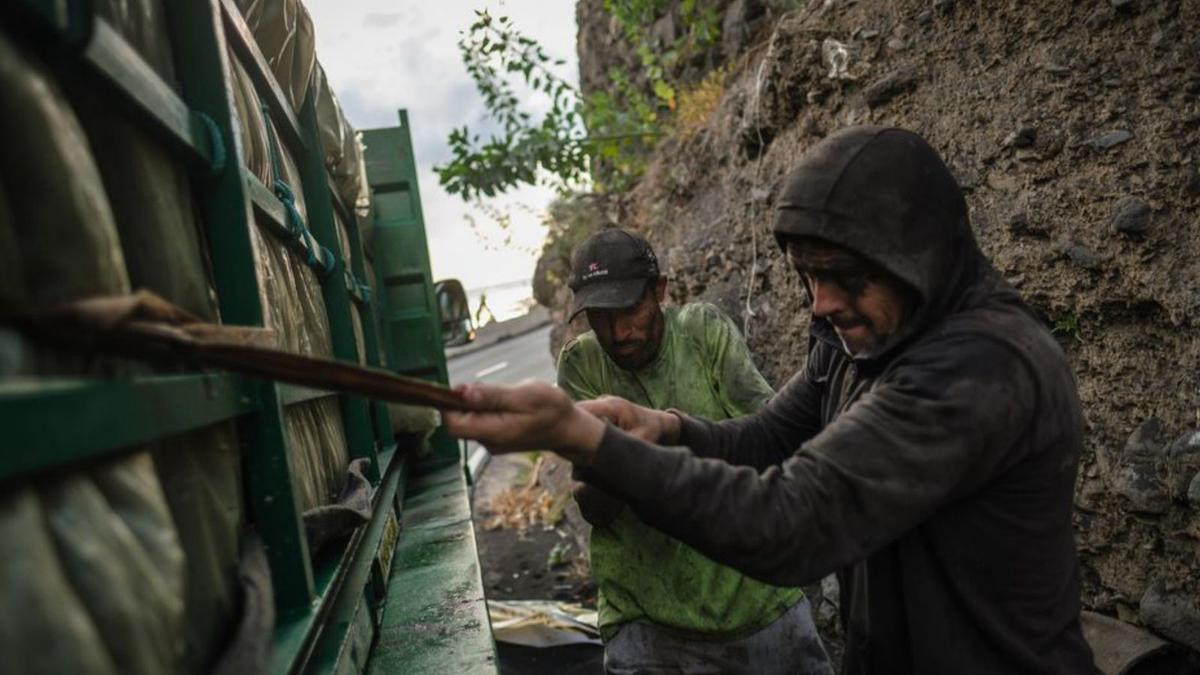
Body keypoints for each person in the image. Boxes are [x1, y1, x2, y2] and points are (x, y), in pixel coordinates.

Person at [443, 126, 1100, 674]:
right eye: (810, 276)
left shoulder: (977, 368)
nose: (822, 302)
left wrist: (588, 440)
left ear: (918, 258)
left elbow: (793, 519)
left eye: (845, 277)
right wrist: (663, 425)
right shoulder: (860, 343)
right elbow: (763, 436)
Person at [558, 228, 832, 674]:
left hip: (755, 598)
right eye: (599, 316)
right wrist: (600, 471)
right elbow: (596, 510)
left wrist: (658, 444)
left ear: (660, 291)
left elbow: (769, 441)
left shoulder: (702, 333)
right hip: (644, 615)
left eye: (631, 308)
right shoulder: (581, 363)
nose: (618, 331)